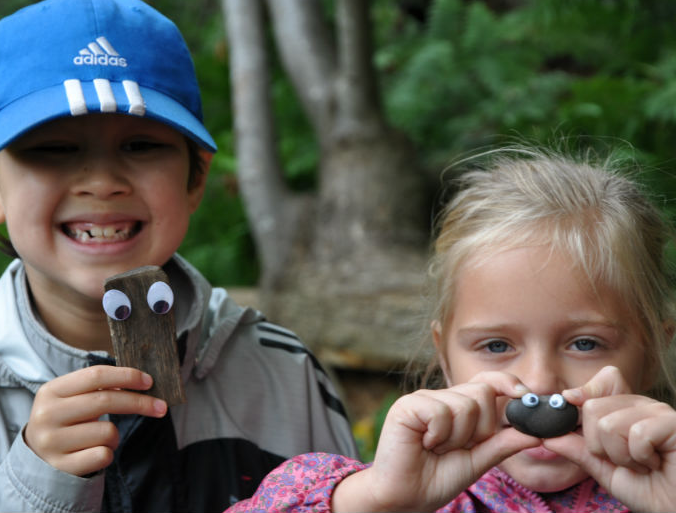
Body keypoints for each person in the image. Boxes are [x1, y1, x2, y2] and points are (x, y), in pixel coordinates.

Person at [0, 0, 357, 513]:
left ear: (196, 176)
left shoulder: (282, 375)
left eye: (141, 145)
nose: (102, 182)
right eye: (54, 149)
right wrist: (31, 489)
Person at [228, 147, 676, 513]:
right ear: (444, 355)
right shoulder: (404, 497)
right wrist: (374, 498)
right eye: (496, 345)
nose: (538, 383)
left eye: (585, 343)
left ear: (654, 350)